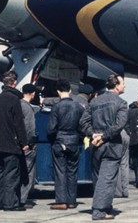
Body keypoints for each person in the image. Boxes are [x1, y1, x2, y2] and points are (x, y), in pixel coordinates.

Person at [80, 74, 128, 221]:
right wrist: (103, 136)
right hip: (111, 145)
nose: (124, 85)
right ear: (117, 85)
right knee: (107, 179)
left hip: (96, 146)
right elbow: (119, 125)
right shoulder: (121, 103)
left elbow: (83, 122)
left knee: (98, 177)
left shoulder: (94, 102)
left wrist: (93, 135)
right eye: (123, 83)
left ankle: (106, 206)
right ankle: (99, 210)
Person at [0, 71, 29, 212]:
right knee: (11, 175)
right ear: (14, 83)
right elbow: (18, 124)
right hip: (10, 145)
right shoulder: (14, 100)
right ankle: (11, 204)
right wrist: (24, 142)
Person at [47, 79, 84, 210]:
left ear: (57, 91)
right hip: (74, 142)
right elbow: (83, 127)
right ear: (70, 90)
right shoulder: (79, 107)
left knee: (60, 172)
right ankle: (72, 201)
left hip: (59, 142)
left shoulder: (56, 107)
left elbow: (50, 129)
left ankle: (61, 201)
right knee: (72, 172)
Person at [19, 83, 40, 209]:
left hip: (17, 144)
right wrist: (30, 143)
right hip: (27, 145)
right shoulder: (28, 108)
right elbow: (30, 128)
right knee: (28, 173)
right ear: (33, 94)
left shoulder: (18, 105)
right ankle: (23, 199)